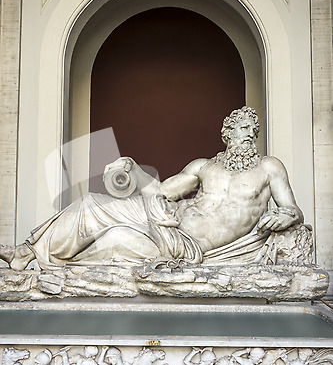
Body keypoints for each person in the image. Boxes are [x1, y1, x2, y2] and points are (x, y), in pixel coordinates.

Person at [0, 106, 303, 271]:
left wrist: (287, 215)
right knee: (90, 203)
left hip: (185, 245)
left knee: (116, 237)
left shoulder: (269, 167)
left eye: (254, 129)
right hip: (168, 215)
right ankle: (26, 252)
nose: (250, 133)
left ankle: (51, 265)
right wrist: (132, 167)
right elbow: (163, 191)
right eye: (243, 127)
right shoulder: (204, 166)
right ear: (227, 133)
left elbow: (293, 210)